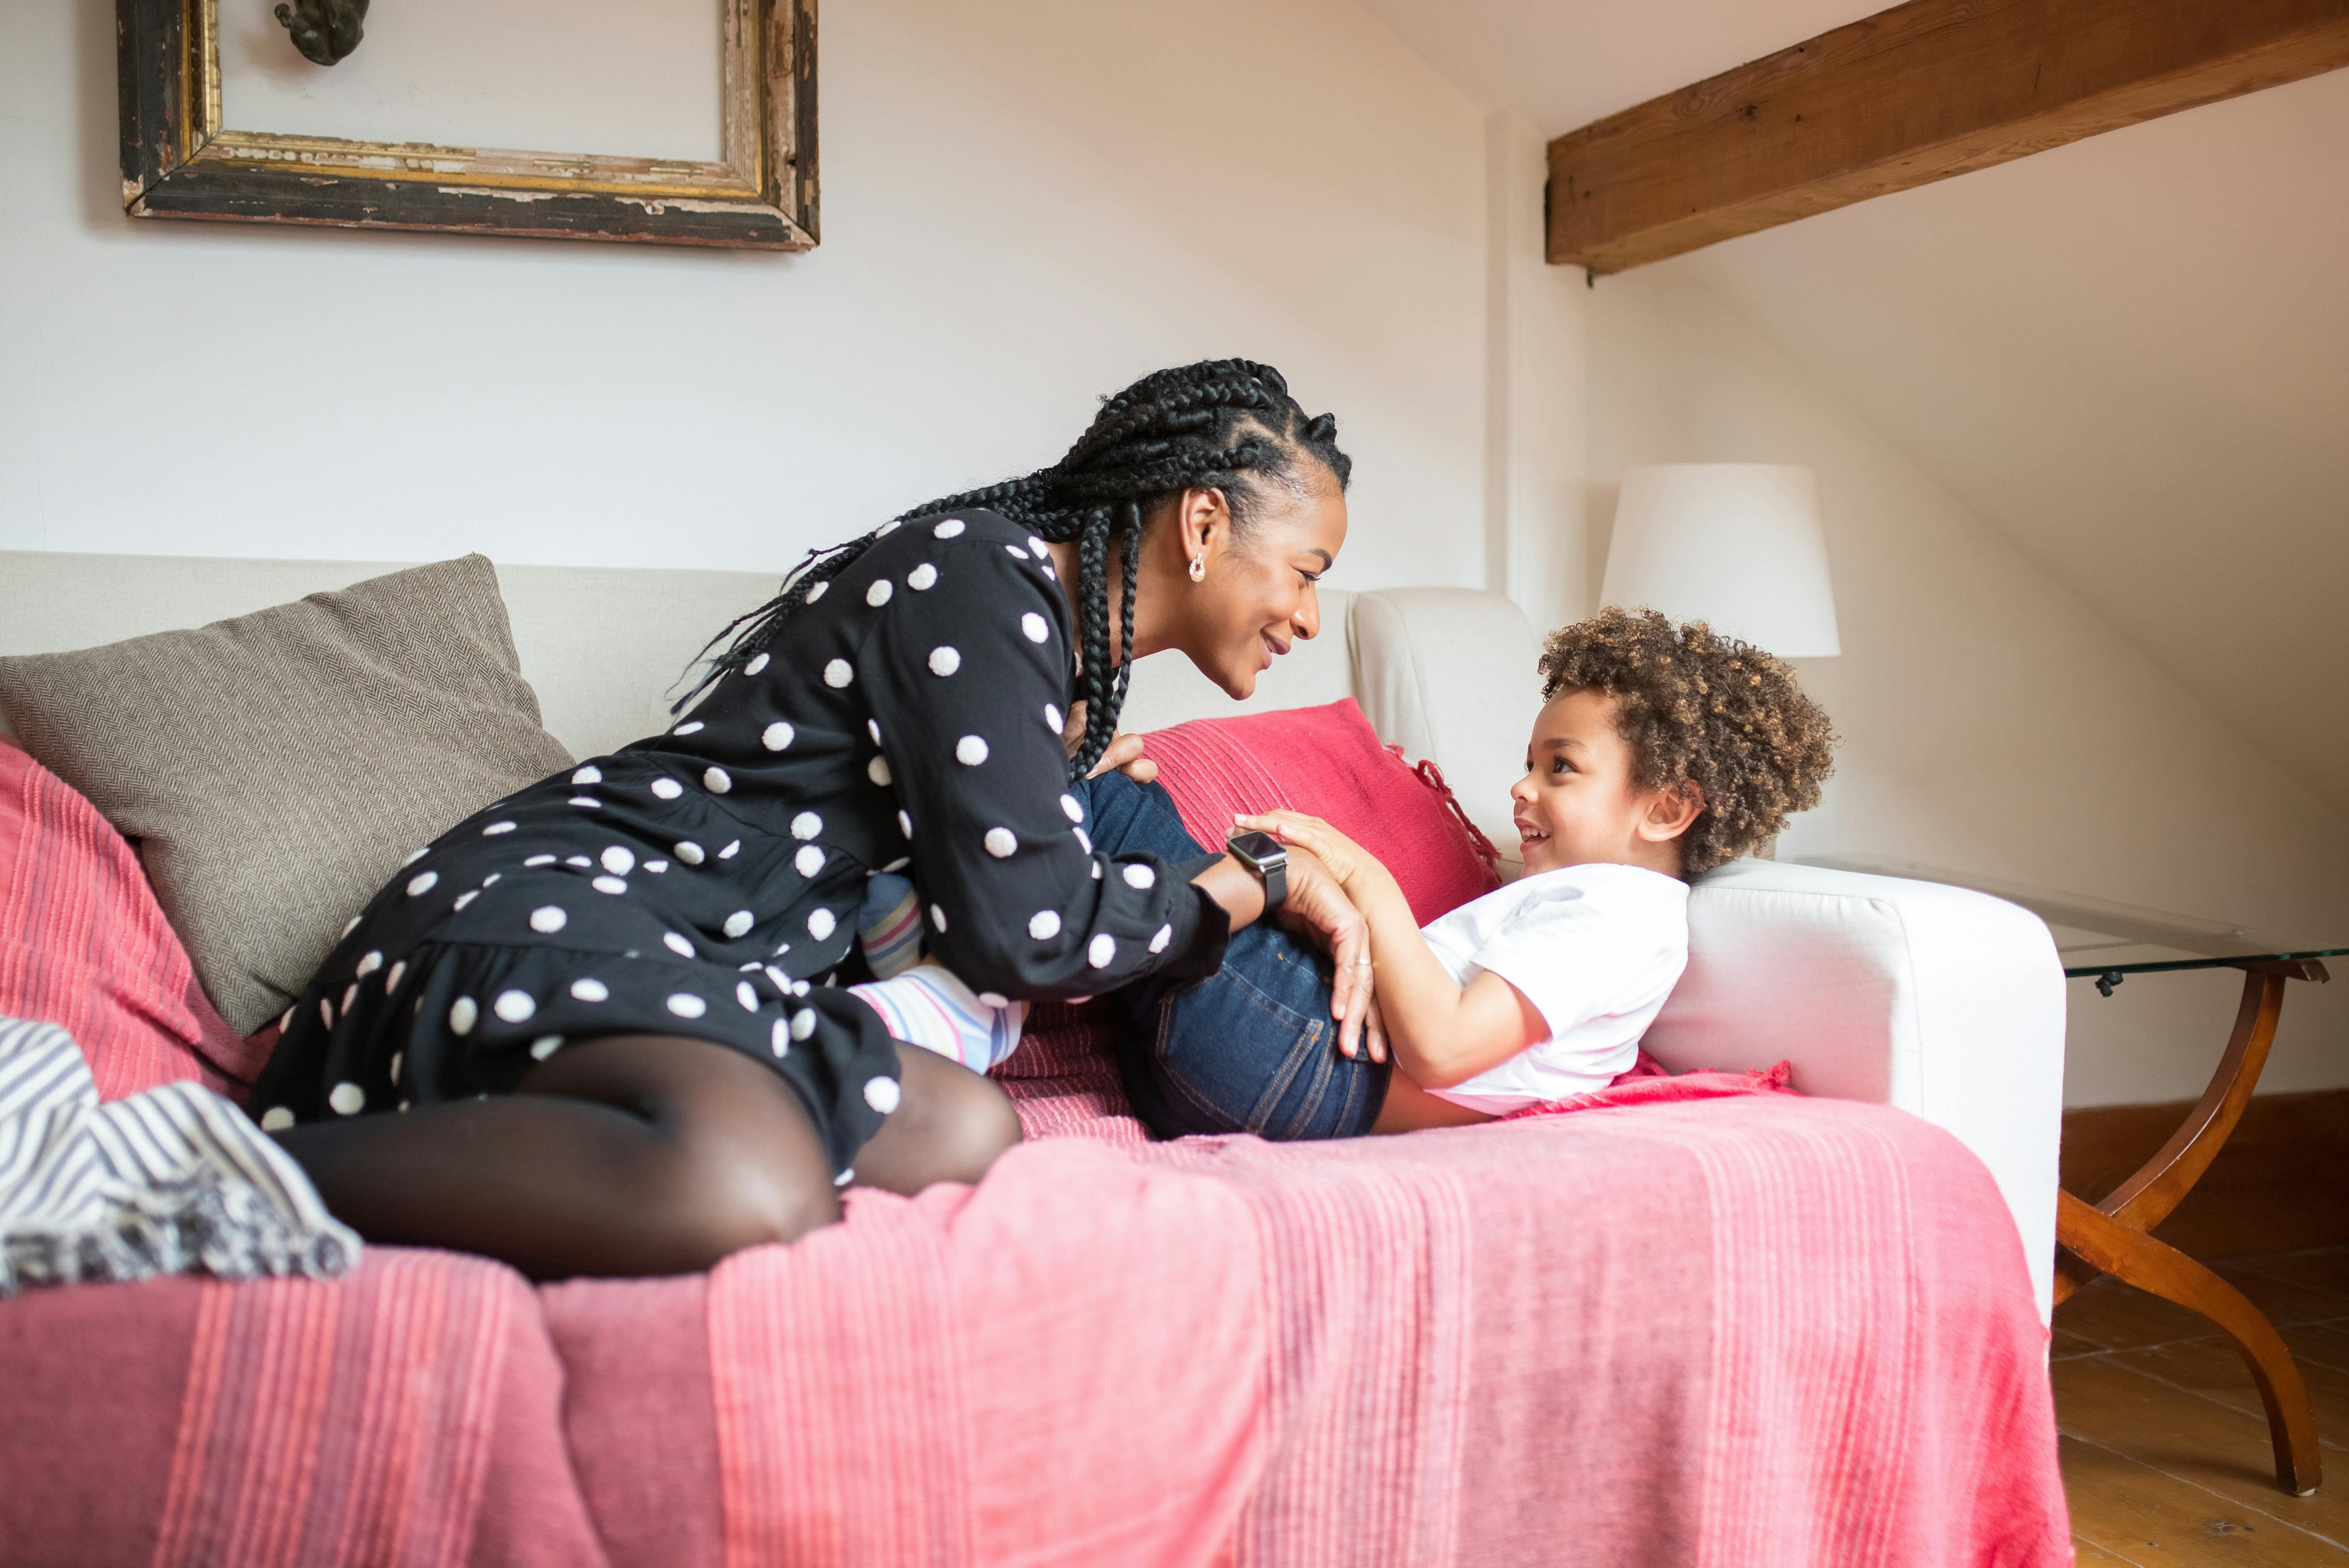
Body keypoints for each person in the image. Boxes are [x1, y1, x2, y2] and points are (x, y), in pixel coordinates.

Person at [250, 359, 1381, 1279]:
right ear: (1200, 521)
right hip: (573, 900)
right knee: (743, 1182)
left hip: (722, 957)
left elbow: (997, 886)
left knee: (964, 1130)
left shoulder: (1046, 652)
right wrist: (1251, 879)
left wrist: (1067, 774)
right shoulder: (982, 580)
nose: (1308, 612)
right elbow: (1028, 934)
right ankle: (233, 1174)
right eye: (1303, 567)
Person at [1094, 608, 1837, 1138]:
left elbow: (1445, 1048)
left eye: (1562, 768)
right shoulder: (1588, 902)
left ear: (1669, 808)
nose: (1523, 788)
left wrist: (1365, 876)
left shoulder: (1623, 914)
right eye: (1529, 764)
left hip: (1303, 1062)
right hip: (1259, 1068)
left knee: (1111, 801)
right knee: (1116, 811)